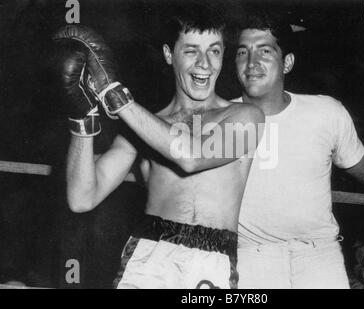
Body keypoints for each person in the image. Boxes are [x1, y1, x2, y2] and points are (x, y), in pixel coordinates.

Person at [233, 8, 364, 289]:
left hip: (319, 258)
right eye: (242, 52)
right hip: (251, 259)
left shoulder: (326, 113)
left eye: (264, 52)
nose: (251, 63)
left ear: (287, 62)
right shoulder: (218, 120)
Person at [53, 4, 264, 289]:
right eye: (191, 51)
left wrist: (112, 93)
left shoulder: (245, 117)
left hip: (212, 260)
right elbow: (81, 198)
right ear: (169, 55)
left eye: (214, 50)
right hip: (149, 256)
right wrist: (82, 118)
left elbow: (192, 157)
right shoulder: (144, 125)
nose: (204, 63)